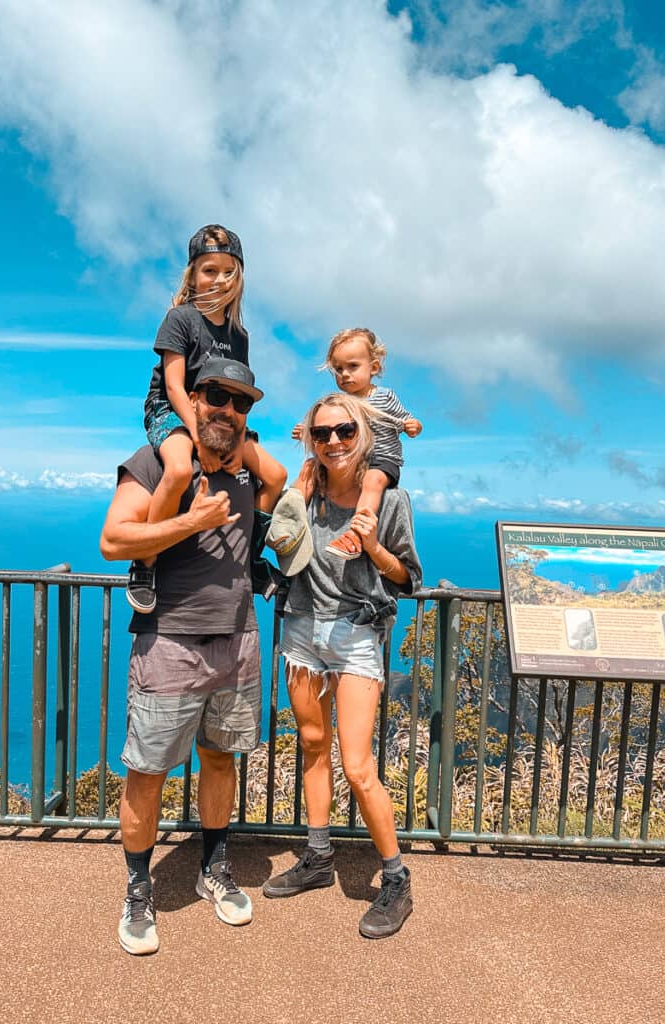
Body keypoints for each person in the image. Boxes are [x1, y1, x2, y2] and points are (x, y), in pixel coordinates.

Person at [100, 357, 284, 956]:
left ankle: (213, 866)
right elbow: (113, 540)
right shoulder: (154, 462)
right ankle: (137, 888)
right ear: (192, 398)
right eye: (216, 396)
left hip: (237, 641)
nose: (226, 409)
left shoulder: (245, 472)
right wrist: (190, 520)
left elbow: (280, 481)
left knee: (221, 761)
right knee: (147, 773)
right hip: (169, 644)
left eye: (241, 402)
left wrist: (254, 458)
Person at [263, 392, 422, 939]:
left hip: (356, 635)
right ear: (310, 436)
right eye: (323, 432)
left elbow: (407, 576)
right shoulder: (304, 493)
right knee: (311, 743)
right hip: (301, 630)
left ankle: (396, 879)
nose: (333, 441)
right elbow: (279, 545)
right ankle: (318, 855)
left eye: (344, 432)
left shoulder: (390, 502)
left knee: (357, 765)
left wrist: (373, 546)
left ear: (364, 434)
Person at [127, 223, 286, 613]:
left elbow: (240, 394)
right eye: (209, 270)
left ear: (239, 278)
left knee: (276, 475)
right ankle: (145, 565)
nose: (218, 279)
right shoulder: (180, 319)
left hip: (221, 417)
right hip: (171, 410)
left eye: (228, 271)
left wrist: (238, 441)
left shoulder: (239, 335)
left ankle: (250, 557)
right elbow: (175, 386)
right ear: (193, 274)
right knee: (180, 469)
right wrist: (199, 439)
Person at [291, 327, 422, 559]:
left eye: (353, 366)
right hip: (353, 461)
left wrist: (413, 426)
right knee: (311, 466)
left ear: (373, 367)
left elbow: (405, 419)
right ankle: (291, 518)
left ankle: (356, 534)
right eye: (338, 369)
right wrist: (307, 431)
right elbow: (331, 429)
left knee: (372, 482)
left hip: (382, 460)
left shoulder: (384, 397)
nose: (345, 374)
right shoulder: (341, 403)